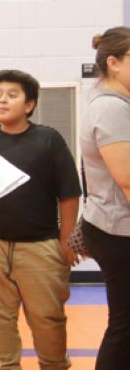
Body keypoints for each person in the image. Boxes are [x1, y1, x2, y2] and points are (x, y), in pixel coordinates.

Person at [0, 70, 80, 370]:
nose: (3, 100)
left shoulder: (48, 140)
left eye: (12, 95)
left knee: (48, 318)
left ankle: (54, 364)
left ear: (29, 105)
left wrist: (67, 240)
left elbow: (68, 194)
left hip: (40, 247)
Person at [78, 28, 130, 370]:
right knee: (125, 327)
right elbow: (127, 179)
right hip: (118, 230)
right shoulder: (111, 108)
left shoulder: (117, 104)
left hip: (114, 225)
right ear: (114, 63)